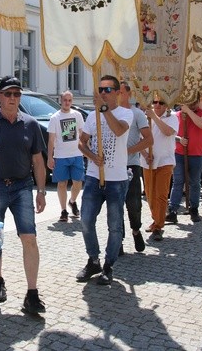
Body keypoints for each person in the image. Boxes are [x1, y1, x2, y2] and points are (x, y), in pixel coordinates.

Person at [0, 75, 47, 314]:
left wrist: (42, 191)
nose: (12, 98)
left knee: (29, 238)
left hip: (22, 187)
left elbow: (38, 160)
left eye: (16, 94)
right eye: (8, 94)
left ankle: (32, 293)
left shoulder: (31, 124)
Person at [75, 75, 134, 285]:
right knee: (86, 221)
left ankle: (109, 266)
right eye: (101, 89)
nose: (103, 93)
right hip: (93, 177)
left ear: (118, 93)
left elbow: (118, 130)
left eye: (108, 90)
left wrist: (104, 110)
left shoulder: (126, 113)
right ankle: (93, 259)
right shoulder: (92, 117)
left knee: (115, 225)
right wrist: (92, 156)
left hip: (117, 180)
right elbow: (81, 143)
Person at [118, 81, 151, 253]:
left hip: (131, 163)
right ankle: (118, 239)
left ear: (129, 94)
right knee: (116, 205)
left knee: (133, 203)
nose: (119, 95)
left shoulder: (137, 114)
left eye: (122, 92)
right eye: (117, 92)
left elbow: (148, 139)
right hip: (115, 167)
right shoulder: (111, 114)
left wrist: (130, 150)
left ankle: (136, 230)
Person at [166, 94, 202, 223]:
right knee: (178, 181)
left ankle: (194, 208)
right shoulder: (177, 115)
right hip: (179, 153)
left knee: (194, 182)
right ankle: (173, 210)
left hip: (197, 154)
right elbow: (170, 133)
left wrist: (189, 112)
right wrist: (180, 139)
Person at [140, 98, 178, 241]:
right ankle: (155, 219)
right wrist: (144, 153)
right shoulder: (145, 118)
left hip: (165, 161)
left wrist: (154, 117)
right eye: (155, 102)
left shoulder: (172, 117)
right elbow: (139, 138)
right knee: (150, 195)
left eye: (161, 103)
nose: (157, 105)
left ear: (166, 105)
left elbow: (168, 132)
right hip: (148, 161)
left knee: (161, 194)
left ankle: (159, 225)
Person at [47, 90, 84, 223]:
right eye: (65, 100)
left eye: (69, 100)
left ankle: (72, 201)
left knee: (78, 182)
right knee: (62, 184)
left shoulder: (77, 115)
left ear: (71, 102)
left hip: (77, 154)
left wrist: (87, 151)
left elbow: (82, 135)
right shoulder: (55, 118)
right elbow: (51, 139)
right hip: (61, 156)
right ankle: (63, 210)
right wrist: (50, 157)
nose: (67, 103)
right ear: (60, 101)